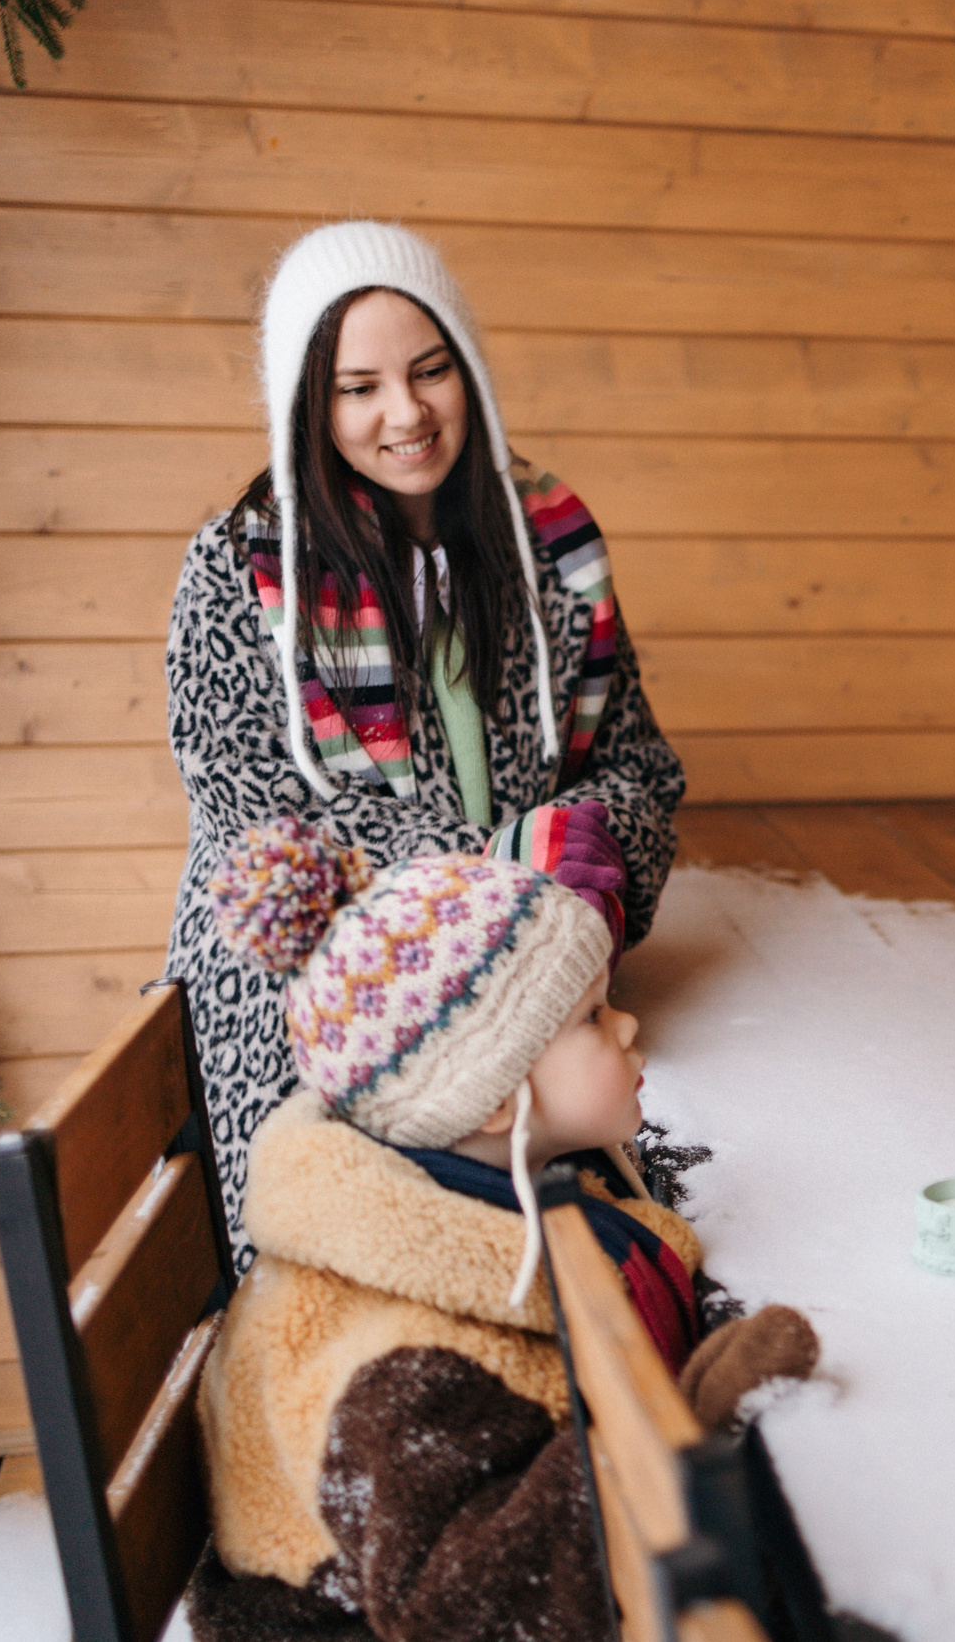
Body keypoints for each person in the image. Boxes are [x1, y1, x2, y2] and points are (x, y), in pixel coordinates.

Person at [164, 222, 685, 1255]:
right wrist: (495, 870)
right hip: (316, 1011)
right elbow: (251, 819)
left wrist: (577, 848)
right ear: (308, 404)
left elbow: (637, 765)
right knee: (383, 1276)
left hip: (525, 994)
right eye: (358, 387)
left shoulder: (551, 544)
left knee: (605, 1231)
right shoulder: (239, 571)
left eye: (430, 370)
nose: (405, 413)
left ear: (468, 368)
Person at [188, 821, 818, 1637]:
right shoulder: (402, 1367)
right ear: (491, 1096)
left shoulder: (455, 1202)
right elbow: (468, 1601)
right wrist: (687, 1430)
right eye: (591, 1016)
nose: (627, 1026)